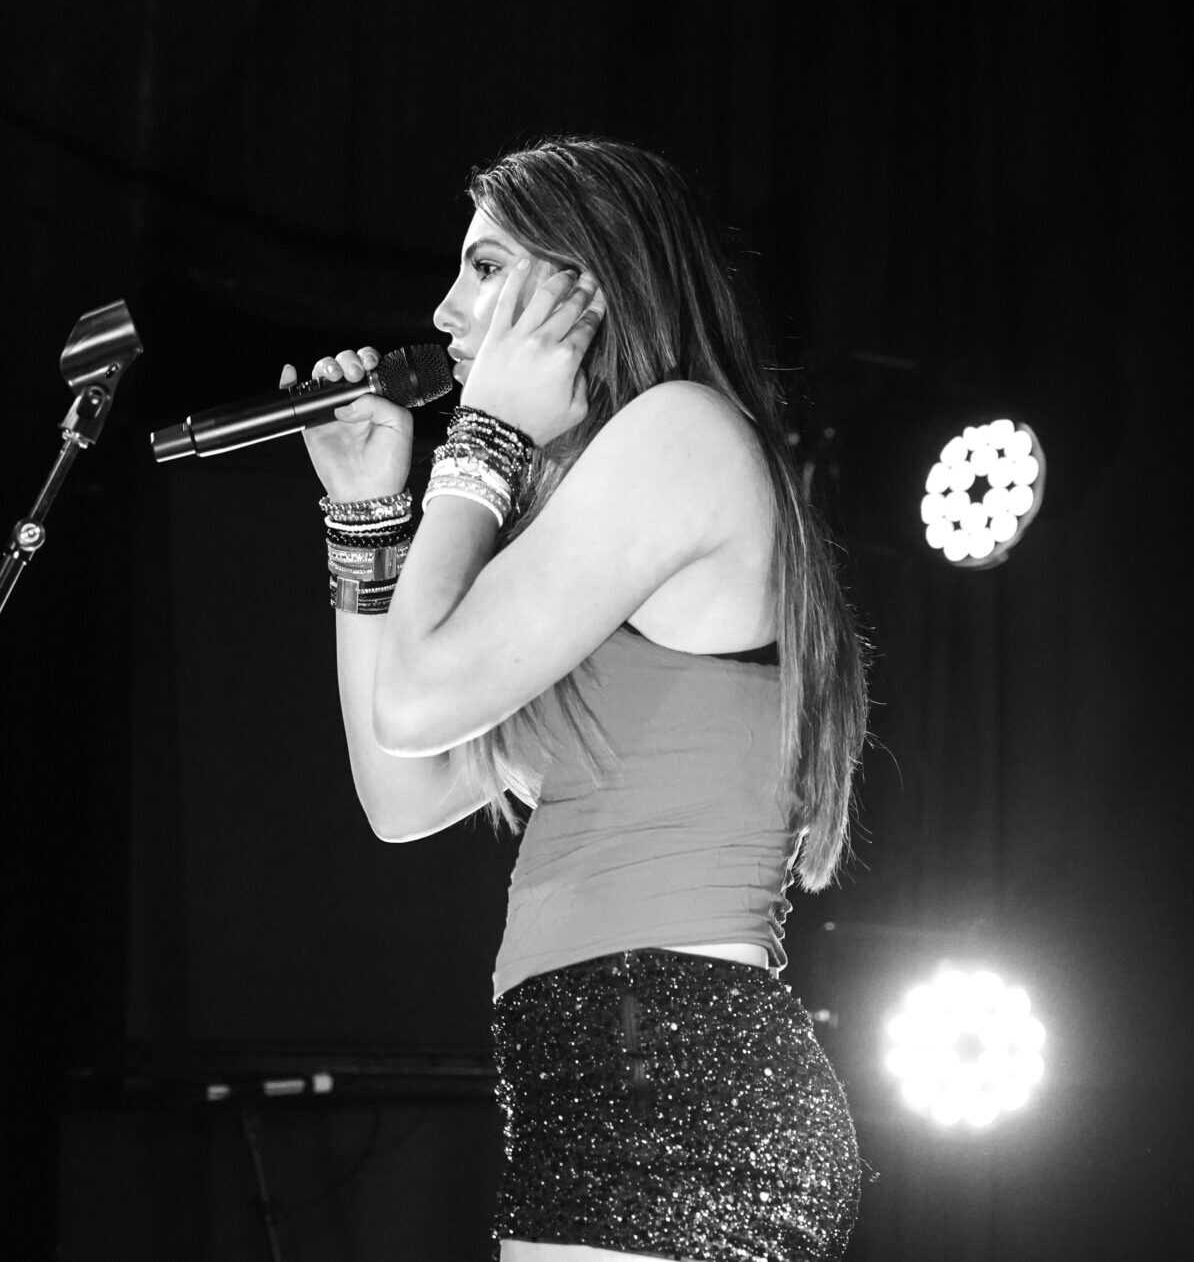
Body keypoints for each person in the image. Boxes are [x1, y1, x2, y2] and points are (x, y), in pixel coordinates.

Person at [281, 136, 870, 1262]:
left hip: (663, 1063)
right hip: (608, 1061)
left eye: (486, 267)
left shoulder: (682, 435)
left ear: (589, 286)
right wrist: (365, 517)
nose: (445, 311)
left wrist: (485, 437)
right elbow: (405, 791)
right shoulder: (591, 512)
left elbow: (415, 699)